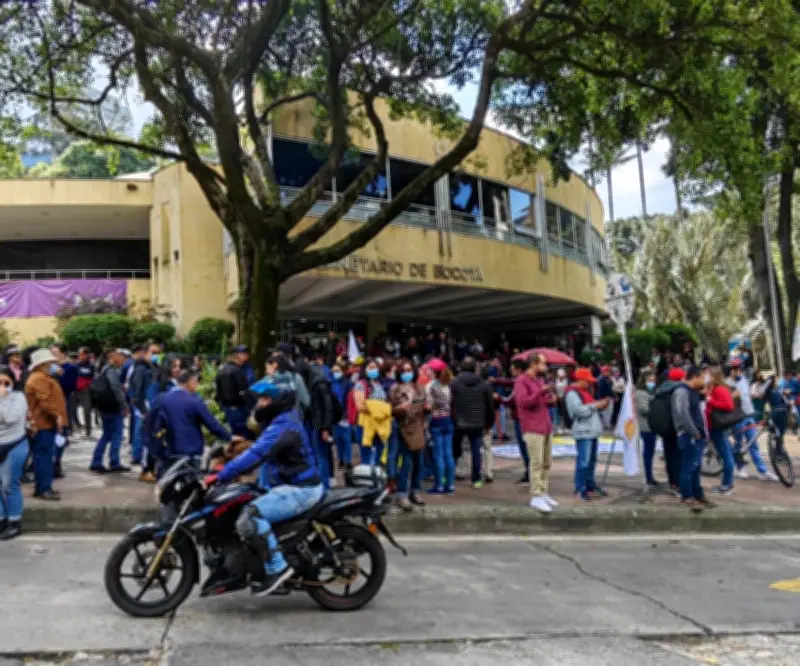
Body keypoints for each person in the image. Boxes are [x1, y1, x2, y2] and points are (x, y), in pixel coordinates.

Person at [208, 382, 324, 597]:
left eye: (264, 399)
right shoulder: (280, 421)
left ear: (277, 402)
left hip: (300, 489)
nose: (259, 404)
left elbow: (257, 455)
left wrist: (222, 475)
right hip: (284, 485)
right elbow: (256, 449)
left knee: (250, 516)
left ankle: (277, 568)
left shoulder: (284, 426)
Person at [158, 367, 240, 467]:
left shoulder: (162, 399)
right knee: (190, 479)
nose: (197, 385)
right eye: (196, 382)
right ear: (189, 382)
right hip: (191, 451)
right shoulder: (194, 401)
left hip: (170, 449)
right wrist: (229, 437)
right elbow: (211, 424)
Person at [24, 348, 69, 500]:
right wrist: (57, 415)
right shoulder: (39, 379)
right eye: (50, 362)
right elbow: (45, 401)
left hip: (44, 423)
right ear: (42, 364)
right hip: (42, 424)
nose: (52, 364)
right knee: (43, 457)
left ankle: (43, 487)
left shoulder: (42, 377)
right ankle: (43, 488)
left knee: (44, 456)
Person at [515, 353, 556, 513]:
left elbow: (540, 402)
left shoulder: (539, 380)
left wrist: (549, 400)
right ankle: (536, 495)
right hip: (532, 428)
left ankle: (543, 492)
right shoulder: (521, 381)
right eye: (543, 363)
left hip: (545, 426)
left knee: (547, 462)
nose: (545, 367)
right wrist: (540, 392)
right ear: (533, 364)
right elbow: (523, 402)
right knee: (536, 463)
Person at [729, 361, 778, 482]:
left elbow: (747, 395)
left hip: (749, 415)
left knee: (753, 444)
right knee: (738, 444)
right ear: (731, 369)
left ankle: (762, 471)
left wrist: (755, 396)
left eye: (739, 368)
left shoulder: (744, 379)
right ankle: (740, 468)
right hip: (737, 417)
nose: (737, 370)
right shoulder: (728, 383)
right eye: (734, 368)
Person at [565, 367, 609, 501]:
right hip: (583, 432)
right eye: (587, 380)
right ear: (581, 380)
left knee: (591, 461)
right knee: (583, 462)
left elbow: (589, 408)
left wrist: (600, 405)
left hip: (591, 431)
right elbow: (579, 411)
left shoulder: (585, 392)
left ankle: (590, 485)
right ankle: (580, 488)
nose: (590, 383)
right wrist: (596, 405)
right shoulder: (572, 394)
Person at [451, 357, 494, 489]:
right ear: (475, 368)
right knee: (477, 451)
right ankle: (476, 479)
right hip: (478, 422)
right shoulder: (484, 384)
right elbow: (489, 406)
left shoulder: (454, 384)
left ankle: (451, 474)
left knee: (455, 449)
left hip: (459, 422)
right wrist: (488, 424)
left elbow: (451, 403)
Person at [390, 361, 427, 511]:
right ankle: (401, 494)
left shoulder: (419, 388)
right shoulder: (395, 389)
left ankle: (415, 491)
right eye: (404, 370)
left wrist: (427, 409)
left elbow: (427, 405)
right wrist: (400, 409)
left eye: (409, 370)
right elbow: (390, 409)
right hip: (403, 428)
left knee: (419, 462)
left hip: (419, 428)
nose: (407, 373)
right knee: (406, 462)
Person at [673, 367, 710, 511]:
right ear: (694, 377)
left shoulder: (693, 391)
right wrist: (694, 431)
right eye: (702, 377)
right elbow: (683, 414)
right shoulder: (681, 392)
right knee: (688, 466)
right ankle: (686, 496)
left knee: (696, 466)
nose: (703, 381)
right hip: (689, 435)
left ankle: (697, 493)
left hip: (697, 434)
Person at [297, 359, 337, 489]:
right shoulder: (313, 380)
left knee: (321, 456)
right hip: (313, 422)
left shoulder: (319, 382)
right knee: (316, 455)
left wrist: (325, 428)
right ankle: (319, 484)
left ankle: (324, 486)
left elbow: (328, 406)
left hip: (319, 425)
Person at [89, 349, 131, 474]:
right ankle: (114, 462)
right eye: (119, 356)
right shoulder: (111, 371)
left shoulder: (103, 369)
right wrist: (124, 406)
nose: (123, 358)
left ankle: (96, 461)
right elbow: (117, 390)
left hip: (105, 407)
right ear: (112, 358)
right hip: (113, 408)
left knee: (107, 434)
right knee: (116, 434)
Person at [0, 366, 29, 539]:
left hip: (14, 444)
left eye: (5, 382)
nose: (2, 385)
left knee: (9, 484)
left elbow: (9, 418)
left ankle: (14, 522)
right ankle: (1, 519)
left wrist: (2, 399)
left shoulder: (18, 398)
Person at [496, 358, 530, 484]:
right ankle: (530, 472)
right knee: (526, 446)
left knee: (524, 446)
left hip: (521, 419)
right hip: (523, 418)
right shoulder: (523, 380)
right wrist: (497, 380)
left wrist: (498, 397)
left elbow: (511, 399)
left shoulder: (521, 382)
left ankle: (530, 473)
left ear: (519, 369)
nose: (511, 370)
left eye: (513, 368)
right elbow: (510, 382)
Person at [352, 358, 391, 466]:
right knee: (367, 457)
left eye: (376, 367)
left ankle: (376, 480)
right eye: (371, 367)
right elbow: (360, 406)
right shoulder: (361, 384)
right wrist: (381, 409)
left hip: (380, 425)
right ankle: (368, 481)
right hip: (366, 426)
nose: (374, 370)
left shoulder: (380, 384)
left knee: (379, 456)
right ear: (365, 370)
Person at [425, 358, 455, 494]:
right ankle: (450, 485)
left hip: (436, 422)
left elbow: (428, 406)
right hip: (448, 421)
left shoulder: (431, 386)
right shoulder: (448, 384)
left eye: (429, 369)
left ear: (433, 371)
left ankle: (439, 486)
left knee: (438, 455)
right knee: (448, 454)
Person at [705, 366, 737, 495]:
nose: (705, 376)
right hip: (715, 427)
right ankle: (727, 483)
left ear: (714, 376)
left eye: (707, 374)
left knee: (726, 455)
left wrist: (711, 401)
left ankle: (727, 484)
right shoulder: (714, 389)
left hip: (718, 427)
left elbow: (729, 406)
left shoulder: (719, 389)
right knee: (725, 455)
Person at [215, 345, 253, 437]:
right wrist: (252, 407)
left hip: (228, 410)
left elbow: (218, 393)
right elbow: (244, 392)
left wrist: (223, 406)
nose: (246, 356)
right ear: (236, 356)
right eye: (243, 354)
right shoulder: (238, 370)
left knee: (235, 435)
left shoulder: (221, 369)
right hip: (240, 409)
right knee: (244, 435)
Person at [635, 369, 660, 487]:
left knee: (650, 453)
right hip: (646, 427)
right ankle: (648, 477)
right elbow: (643, 409)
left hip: (652, 426)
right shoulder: (640, 393)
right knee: (648, 454)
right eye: (650, 380)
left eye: (654, 380)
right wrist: (657, 409)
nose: (652, 382)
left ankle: (650, 476)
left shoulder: (650, 393)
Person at [330, 362, 353, 473]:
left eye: (337, 370)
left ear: (342, 371)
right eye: (334, 371)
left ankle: (348, 460)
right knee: (338, 439)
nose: (335, 373)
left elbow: (350, 400)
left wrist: (347, 412)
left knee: (347, 439)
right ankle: (341, 459)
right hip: (335, 416)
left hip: (345, 415)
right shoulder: (330, 383)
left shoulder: (348, 383)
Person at [75, 347, 95, 437]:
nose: (80, 356)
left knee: (87, 410)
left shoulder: (91, 365)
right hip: (75, 389)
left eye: (82, 354)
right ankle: (73, 427)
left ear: (87, 355)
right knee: (71, 409)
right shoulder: (76, 365)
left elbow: (90, 376)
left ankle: (88, 431)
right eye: (79, 354)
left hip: (86, 389)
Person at [596, 365, 614, 430]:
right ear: (603, 372)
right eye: (607, 371)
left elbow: (611, 388)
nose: (609, 373)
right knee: (605, 412)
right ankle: (605, 425)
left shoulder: (607, 378)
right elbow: (601, 389)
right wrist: (606, 397)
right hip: (604, 398)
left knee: (609, 412)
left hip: (608, 397)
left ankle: (606, 424)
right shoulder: (601, 379)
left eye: (609, 371)